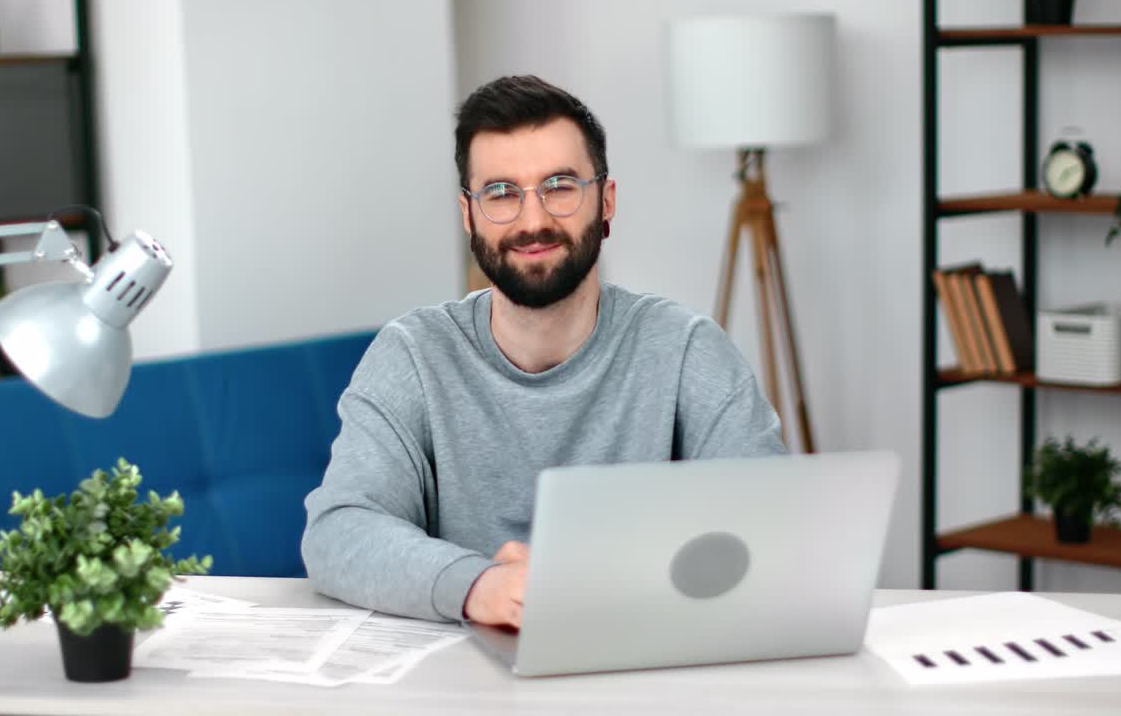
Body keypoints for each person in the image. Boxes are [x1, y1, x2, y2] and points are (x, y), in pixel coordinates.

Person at [302, 75, 785, 628]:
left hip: (646, 653)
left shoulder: (685, 350)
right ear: (468, 215)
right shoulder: (413, 355)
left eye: (559, 186)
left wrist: (589, 581)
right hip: (462, 667)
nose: (533, 221)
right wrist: (478, 585)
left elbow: (771, 526)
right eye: (501, 193)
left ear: (606, 201)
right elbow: (338, 532)